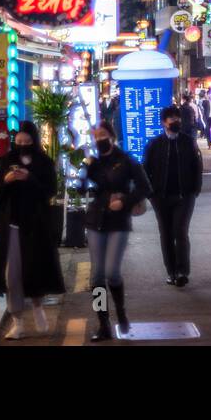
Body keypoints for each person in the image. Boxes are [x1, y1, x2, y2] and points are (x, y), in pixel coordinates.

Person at [0, 121, 65, 340]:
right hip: (10, 224)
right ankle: (17, 321)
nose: (22, 145)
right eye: (18, 142)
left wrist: (30, 178)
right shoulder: (6, 161)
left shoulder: (44, 162)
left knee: (34, 269)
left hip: (35, 225)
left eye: (27, 142)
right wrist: (7, 180)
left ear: (34, 141)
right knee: (11, 275)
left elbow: (50, 190)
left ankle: (38, 308)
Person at [75, 121, 152, 341]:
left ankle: (121, 311)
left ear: (112, 136)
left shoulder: (126, 161)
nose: (99, 139)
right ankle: (103, 323)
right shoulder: (94, 163)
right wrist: (84, 168)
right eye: (96, 136)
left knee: (112, 272)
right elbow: (80, 190)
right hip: (96, 220)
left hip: (118, 222)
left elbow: (145, 187)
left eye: (103, 135)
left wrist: (125, 201)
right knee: (97, 277)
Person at [144, 105, 203, 286]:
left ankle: (182, 272)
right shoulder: (154, 144)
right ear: (164, 122)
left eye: (177, 118)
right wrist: (150, 193)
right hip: (160, 197)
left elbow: (196, 167)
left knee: (180, 231)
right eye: (171, 119)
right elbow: (145, 170)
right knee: (166, 234)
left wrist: (195, 189)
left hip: (184, 196)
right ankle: (171, 271)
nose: (175, 121)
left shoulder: (188, 142)